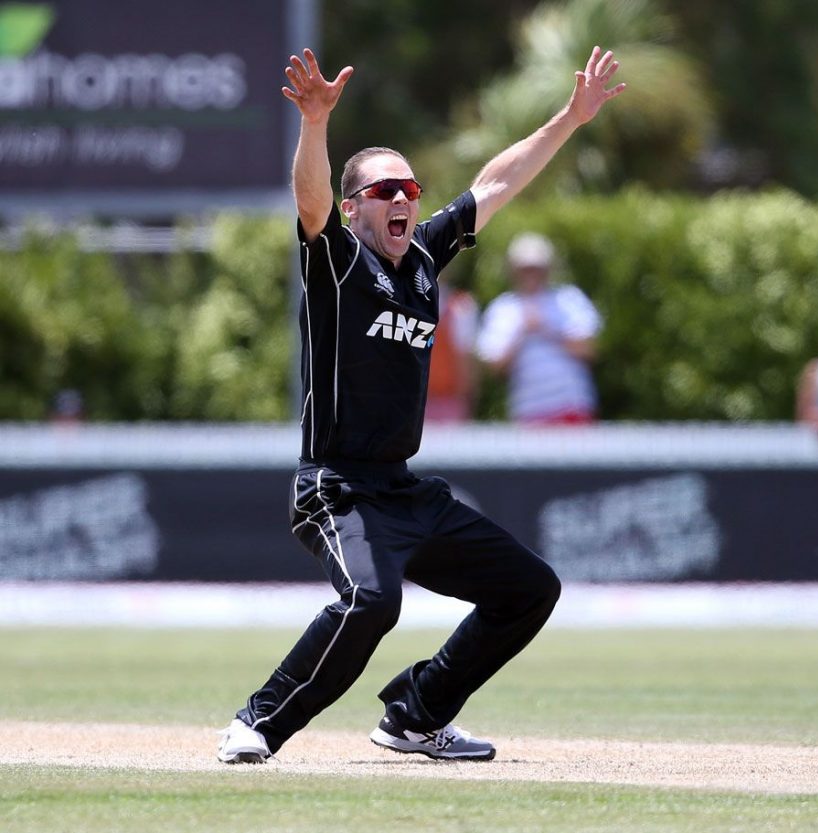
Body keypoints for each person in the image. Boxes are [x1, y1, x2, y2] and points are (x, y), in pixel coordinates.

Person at [215, 46, 625, 764]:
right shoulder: (338, 260)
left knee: (529, 588)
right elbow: (310, 201)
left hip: (402, 490)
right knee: (373, 603)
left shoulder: (427, 259)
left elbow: (496, 183)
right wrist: (315, 123)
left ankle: (418, 711)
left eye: (409, 187)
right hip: (335, 487)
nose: (403, 198)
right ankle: (258, 720)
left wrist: (569, 118)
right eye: (384, 191)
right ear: (354, 209)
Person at [476, 233, 602, 424]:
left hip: (572, 405)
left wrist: (546, 328)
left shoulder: (569, 299)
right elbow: (495, 367)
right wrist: (522, 332)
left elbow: (589, 350)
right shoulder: (503, 308)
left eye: (536, 268)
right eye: (525, 269)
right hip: (528, 411)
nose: (531, 274)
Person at [424, 281, 480, 423]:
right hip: (416, 402)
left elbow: (466, 362)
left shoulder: (462, 306)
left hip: (451, 403)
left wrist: (466, 402)